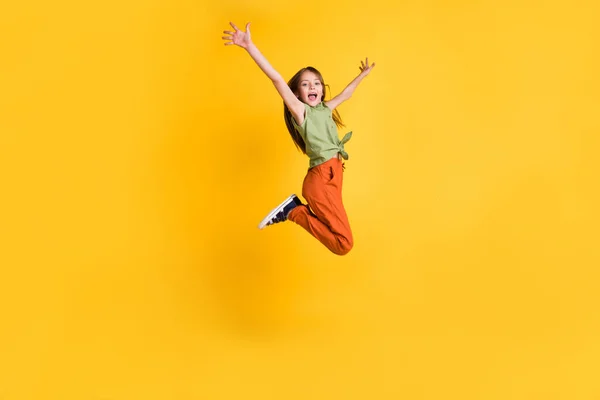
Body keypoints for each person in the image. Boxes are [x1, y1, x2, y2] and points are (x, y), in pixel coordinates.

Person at [222, 21, 375, 256]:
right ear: (297, 94)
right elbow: (277, 80)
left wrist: (362, 76)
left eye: (316, 83)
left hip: (333, 177)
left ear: (322, 90)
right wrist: (249, 46)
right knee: (344, 244)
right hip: (322, 180)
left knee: (343, 241)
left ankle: (295, 211)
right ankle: (295, 212)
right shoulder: (301, 112)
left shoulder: (325, 108)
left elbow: (347, 93)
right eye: (305, 84)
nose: (312, 87)